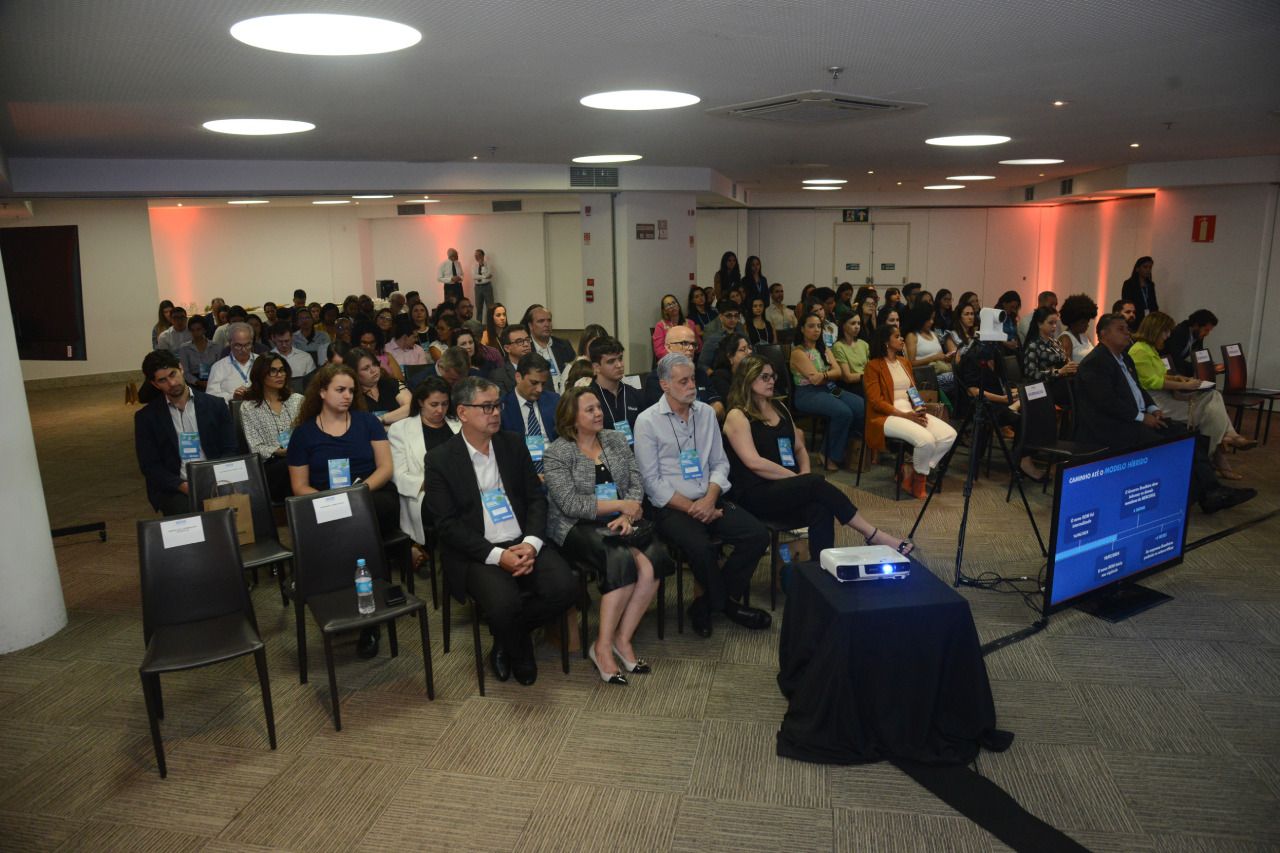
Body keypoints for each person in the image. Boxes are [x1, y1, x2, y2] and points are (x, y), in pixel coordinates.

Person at [424, 377, 577, 685]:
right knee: (504, 603)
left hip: (522, 541)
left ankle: (507, 636)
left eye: (498, 406)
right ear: (463, 412)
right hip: (477, 552)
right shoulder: (440, 459)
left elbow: (536, 498)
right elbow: (447, 526)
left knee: (567, 588)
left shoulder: (511, 444)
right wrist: (497, 556)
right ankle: (519, 652)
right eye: (487, 407)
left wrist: (532, 543)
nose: (495, 413)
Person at [722, 354, 913, 559]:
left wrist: (803, 474)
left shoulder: (779, 407)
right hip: (755, 492)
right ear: (748, 379)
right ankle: (873, 534)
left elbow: (800, 448)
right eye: (764, 377)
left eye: (773, 376)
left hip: (786, 486)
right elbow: (754, 463)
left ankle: (820, 570)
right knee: (816, 483)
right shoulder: (738, 415)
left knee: (821, 508)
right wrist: (799, 479)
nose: (772, 381)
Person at [634, 352, 770, 638]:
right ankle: (726, 606)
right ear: (665, 385)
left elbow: (720, 463)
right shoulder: (647, 421)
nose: (691, 386)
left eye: (693, 379)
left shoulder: (706, 413)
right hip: (671, 506)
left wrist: (709, 499)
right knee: (701, 547)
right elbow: (652, 482)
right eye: (683, 381)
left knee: (757, 535)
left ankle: (704, 605)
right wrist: (693, 508)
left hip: (710, 498)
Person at [544, 387, 671, 683]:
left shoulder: (614, 439)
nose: (598, 413)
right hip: (576, 526)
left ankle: (622, 638)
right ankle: (601, 647)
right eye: (589, 409)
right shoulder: (558, 452)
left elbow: (636, 480)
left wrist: (628, 514)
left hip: (622, 521)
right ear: (571, 417)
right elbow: (571, 504)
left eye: (598, 407)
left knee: (654, 560)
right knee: (620, 560)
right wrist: (620, 505)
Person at [1075, 314, 1254, 514]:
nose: (1127, 333)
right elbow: (1107, 402)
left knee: (1188, 437)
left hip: (1133, 418)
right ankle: (1202, 494)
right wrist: (1143, 417)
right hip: (1110, 426)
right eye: (1121, 329)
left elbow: (1138, 389)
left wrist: (1153, 409)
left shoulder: (1124, 357)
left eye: (1127, 328)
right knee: (1169, 442)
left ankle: (1208, 492)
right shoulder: (1096, 362)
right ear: (1103, 334)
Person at [287, 363, 398, 658]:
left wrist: (358, 494)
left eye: (351, 390)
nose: (347, 395)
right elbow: (300, 486)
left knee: (361, 517)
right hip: (325, 500)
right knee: (340, 522)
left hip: (370, 494)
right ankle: (345, 604)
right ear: (322, 392)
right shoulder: (304, 434)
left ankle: (368, 620)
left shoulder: (367, 423)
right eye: (340, 390)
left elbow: (385, 468)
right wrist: (332, 500)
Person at [1129, 311, 1255, 479]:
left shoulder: (1148, 349)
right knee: (1211, 414)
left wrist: (1177, 378)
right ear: (1156, 330)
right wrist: (1184, 384)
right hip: (1155, 403)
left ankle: (1222, 444)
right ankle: (1216, 454)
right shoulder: (1139, 351)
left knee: (1214, 395)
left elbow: (1157, 376)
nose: (1167, 336)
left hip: (1163, 395)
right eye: (1166, 331)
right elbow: (1152, 383)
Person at [134, 350, 238, 516]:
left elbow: (230, 448)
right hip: (176, 485)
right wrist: (182, 485)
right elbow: (149, 465)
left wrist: (215, 478)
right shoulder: (146, 418)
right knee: (185, 511)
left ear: (181, 369)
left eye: (173, 374)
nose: (172, 383)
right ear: (155, 384)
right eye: (163, 380)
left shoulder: (215, 405)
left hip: (216, 478)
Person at [863, 325, 958, 499]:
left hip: (910, 411)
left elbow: (913, 391)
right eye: (897, 337)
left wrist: (919, 409)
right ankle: (918, 482)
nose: (901, 340)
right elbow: (876, 402)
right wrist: (906, 416)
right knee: (926, 440)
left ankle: (914, 473)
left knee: (949, 435)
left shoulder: (904, 362)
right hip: (887, 416)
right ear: (886, 342)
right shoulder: (873, 366)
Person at [388, 377, 460, 553]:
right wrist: (432, 483)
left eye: (444, 404)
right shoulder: (400, 429)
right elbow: (398, 474)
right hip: (425, 491)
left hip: (463, 486)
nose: (440, 410)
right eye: (434, 404)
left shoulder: (458, 424)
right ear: (420, 402)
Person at [790, 312, 864, 472]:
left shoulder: (824, 349)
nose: (816, 330)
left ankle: (843, 448)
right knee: (843, 412)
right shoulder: (798, 352)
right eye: (811, 326)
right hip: (807, 393)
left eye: (819, 326)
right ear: (802, 329)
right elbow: (815, 380)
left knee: (860, 406)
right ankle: (828, 454)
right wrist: (828, 375)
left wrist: (824, 375)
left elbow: (838, 373)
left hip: (829, 388)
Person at [240, 353, 302, 501]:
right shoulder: (249, 407)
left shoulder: (298, 400)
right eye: (273, 371)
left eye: (282, 370)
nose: (280, 375)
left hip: (299, 456)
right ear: (261, 375)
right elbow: (255, 447)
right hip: (271, 464)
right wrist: (279, 451)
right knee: (289, 465)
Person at [645, 325, 724, 418]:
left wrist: (702, 420)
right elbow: (666, 415)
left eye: (693, 344)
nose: (691, 348)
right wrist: (704, 415)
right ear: (668, 347)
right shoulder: (657, 378)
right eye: (684, 343)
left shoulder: (701, 374)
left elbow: (719, 406)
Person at [500, 353, 561, 474]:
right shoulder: (503, 408)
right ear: (518, 377)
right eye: (534, 383)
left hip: (556, 468)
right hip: (522, 472)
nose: (540, 389)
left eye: (543, 384)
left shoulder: (554, 401)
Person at [588, 337, 642, 440]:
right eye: (611, 361)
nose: (619, 365)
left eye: (620, 359)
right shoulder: (587, 398)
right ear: (596, 367)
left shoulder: (635, 394)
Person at [1021, 307, 1077, 407]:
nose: (1054, 326)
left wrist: (1070, 367)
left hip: (1060, 384)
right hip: (1044, 388)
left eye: (1056, 323)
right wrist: (1058, 372)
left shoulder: (1055, 342)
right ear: (1039, 324)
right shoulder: (1033, 345)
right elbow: (1031, 373)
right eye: (1051, 323)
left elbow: (1064, 362)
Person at [903, 301, 957, 396]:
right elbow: (911, 363)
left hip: (942, 369)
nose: (932, 322)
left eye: (933, 318)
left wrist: (946, 357)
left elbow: (940, 357)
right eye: (929, 319)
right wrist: (933, 358)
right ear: (921, 319)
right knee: (957, 380)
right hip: (926, 377)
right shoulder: (912, 336)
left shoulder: (933, 334)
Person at [351, 346, 411, 426]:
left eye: (375, 364)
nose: (373, 370)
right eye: (366, 368)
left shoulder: (391, 383)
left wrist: (380, 419)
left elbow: (411, 406)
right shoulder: (351, 395)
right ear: (355, 373)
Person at [206, 322, 258, 403]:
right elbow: (210, 397)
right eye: (238, 345)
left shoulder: (261, 361)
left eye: (247, 345)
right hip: (231, 412)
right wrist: (232, 396)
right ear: (230, 343)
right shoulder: (219, 367)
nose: (243, 349)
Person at [523, 305, 575, 386]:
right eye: (541, 321)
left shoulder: (564, 345)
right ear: (530, 326)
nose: (546, 324)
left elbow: (575, 372)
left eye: (549, 320)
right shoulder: (526, 348)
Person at [1166, 309, 1219, 377]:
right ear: (1196, 325)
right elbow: (1175, 360)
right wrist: (1198, 367)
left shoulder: (1198, 334)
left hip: (1177, 367)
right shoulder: (1179, 332)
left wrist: (1209, 365)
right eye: (1206, 330)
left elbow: (1199, 354)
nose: (1207, 334)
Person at [697, 299, 744, 374]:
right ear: (721, 317)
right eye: (729, 316)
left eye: (736, 316)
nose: (733, 319)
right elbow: (702, 365)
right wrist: (715, 376)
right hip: (722, 375)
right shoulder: (713, 337)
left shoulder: (740, 330)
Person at [177, 314, 220, 391]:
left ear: (204, 330)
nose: (195, 333)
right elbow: (185, 372)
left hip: (214, 380)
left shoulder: (215, 346)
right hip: (193, 383)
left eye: (198, 329)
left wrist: (212, 381)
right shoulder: (184, 348)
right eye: (192, 330)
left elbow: (220, 367)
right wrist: (198, 382)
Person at [489, 323, 532, 395]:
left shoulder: (540, 368)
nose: (526, 344)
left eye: (527, 340)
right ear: (507, 348)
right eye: (519, 341)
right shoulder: (498, 375)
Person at [709, 333, 751, 406]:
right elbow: (732, 404)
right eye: (743, 349)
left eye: (749, 348)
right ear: (730, 357)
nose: (750, 352)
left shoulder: (751, 372)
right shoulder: (719, 377)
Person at [831, 313, 869, 394]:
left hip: (865, 381)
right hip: (850, 386)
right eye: (853, 323)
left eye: (859, 323)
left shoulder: (864, 344)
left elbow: (870, 368)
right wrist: (867, 375)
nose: (857, 326)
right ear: (843, 325)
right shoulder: (838, 346)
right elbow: (848, 377)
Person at [652, 293, 697, 361]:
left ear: (678, 305)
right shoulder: (660, 326)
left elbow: (698, 345)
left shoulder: (690, 323)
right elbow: (659, 351)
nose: (672, 306)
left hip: (690, 360)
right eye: (668, 305)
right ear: (664, 311)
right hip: (670, 361)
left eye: (674, 303)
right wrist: (678, 357)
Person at [1058, 294, 1098, 363]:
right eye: (1083, 322)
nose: (1087, 325)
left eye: (1088, 321)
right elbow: (1067, 368)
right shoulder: (1065, 339)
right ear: (1073, 321)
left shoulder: (1085, 335)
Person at [1121, 256, 1159, 325]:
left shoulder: (1150, 285)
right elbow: (1126, 304)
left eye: (1150, 267)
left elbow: (1154, 303)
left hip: (1150, 321)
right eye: (1145, 267)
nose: (1148, 270)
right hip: (1135, 319)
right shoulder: (1129, 284)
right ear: (1137, 269)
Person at [471, 249, 494, 323]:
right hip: (478, 288)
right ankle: (479, 326)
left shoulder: (488, 264)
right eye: (475, 255)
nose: (476, 257)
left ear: (483, 255)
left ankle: (490, 325)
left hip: (487, 286)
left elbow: (489, 274)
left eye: (478, 255)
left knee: (490, 307)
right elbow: (474, 276)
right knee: (479, 308)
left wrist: (482, 266)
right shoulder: (474, 266)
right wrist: (484, 277)